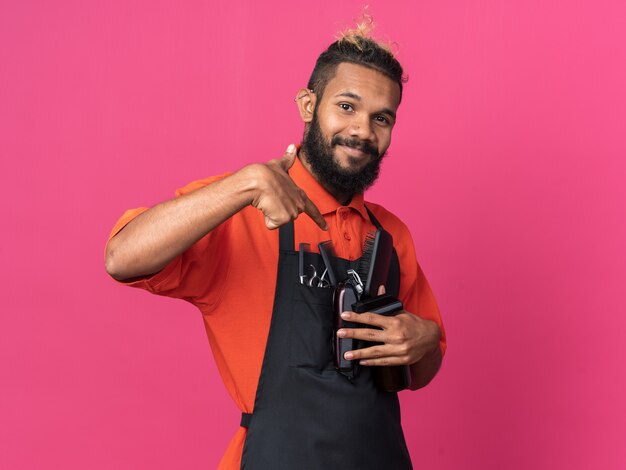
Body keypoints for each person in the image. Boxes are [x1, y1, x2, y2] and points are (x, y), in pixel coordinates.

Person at [105, 21, 446, 470]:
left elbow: (418, 375)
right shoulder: (241, 207)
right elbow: (121, 258)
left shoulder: (390, 234)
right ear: (308, 105)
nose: (362, 130)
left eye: (381, 118)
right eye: (347, 106)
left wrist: (425, 340)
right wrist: (246, 183)